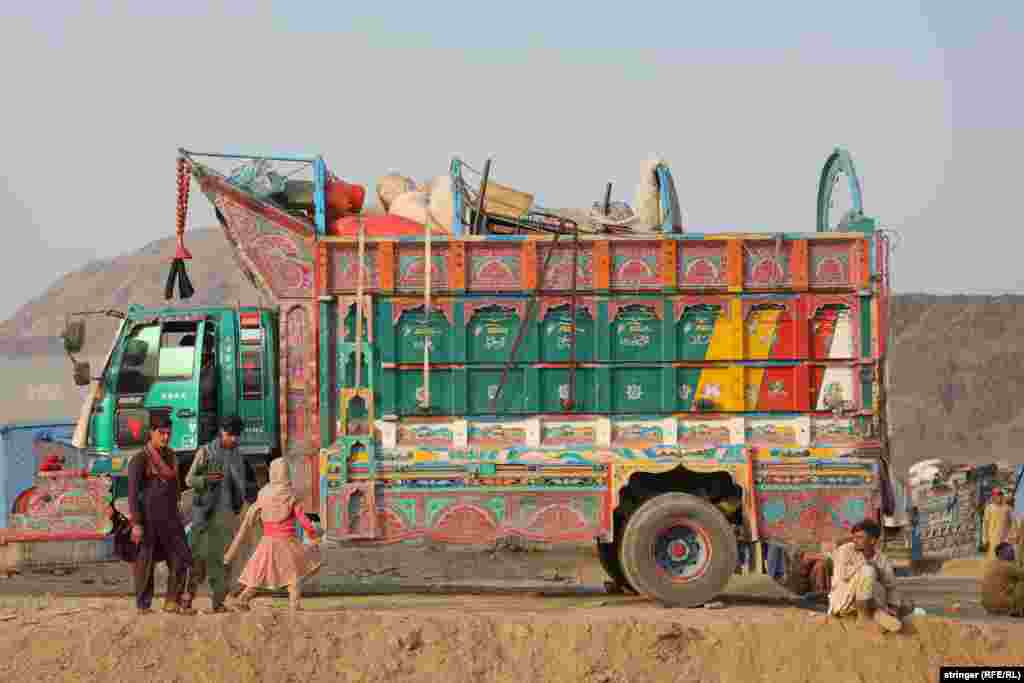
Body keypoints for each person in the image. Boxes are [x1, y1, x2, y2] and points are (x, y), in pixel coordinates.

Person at [223, 458, 322, 612]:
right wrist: (313, 534)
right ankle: (294, 604)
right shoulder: (290, 495)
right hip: (287, 542)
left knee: (258, 574)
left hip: (267, 542)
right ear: (286, 474)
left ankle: (243, 598)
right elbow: (303, 520)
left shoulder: (263, 494)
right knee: (293, 576)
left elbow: (251, 519)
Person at [181, 415, 254, 614]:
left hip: (226, 517)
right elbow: (189, 480)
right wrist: (205, 479)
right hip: (204, 516)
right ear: (222, 431)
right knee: (197, 561)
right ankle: (186, 601)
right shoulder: (205, 452)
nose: (234, 439)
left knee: (223, 562)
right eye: (231, 434)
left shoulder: (238, 456)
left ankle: (218, 603)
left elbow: (241, 485)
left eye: (237, 436)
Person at [126, 410, 194, 615]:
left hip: (171, 518)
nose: (165, 437)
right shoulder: (140, 459)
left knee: (181, 557)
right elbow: (132, 493)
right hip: (148, 519)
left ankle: (171, 601)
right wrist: (137, 523)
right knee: (145, 563)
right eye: (161, 433)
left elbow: (176, 487)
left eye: (168, 433)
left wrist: (179, 508)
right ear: (151, 433)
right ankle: (143, 605)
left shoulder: (172, 456)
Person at [827, 519, 905, 633]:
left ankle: (879, 613)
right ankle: (864, 617)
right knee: (868, 571)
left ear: (872, 540)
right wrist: (868, 566)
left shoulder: (882, 559)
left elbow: (891, 586)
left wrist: (894, 608)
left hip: (872, 598)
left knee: (905, 603)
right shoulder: (846, 550)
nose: (855, 541)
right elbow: (843, 575)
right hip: (845, 597)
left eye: (859, 537)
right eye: (854, 537)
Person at [983, 489, 1012, 560]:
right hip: (992, 540)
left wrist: (1010, 538)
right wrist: (985, 539)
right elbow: (985, 525)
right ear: (993, 497)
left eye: (1000, 495)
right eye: (997, 495)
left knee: (1004, 561)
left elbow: (1012, 524)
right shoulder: (989, 508)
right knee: (992, 560)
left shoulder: (1007, 509)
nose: (999, 497)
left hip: (1004, 540)